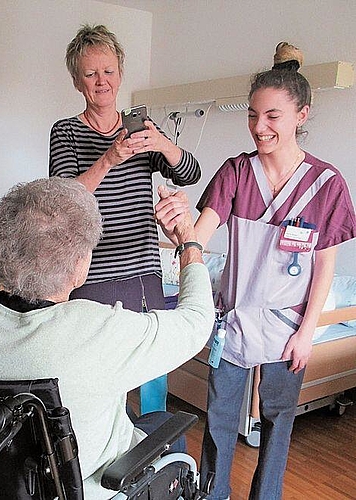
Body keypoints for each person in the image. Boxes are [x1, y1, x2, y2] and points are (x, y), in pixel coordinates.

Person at [155, 42, 356, 500]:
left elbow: (326, 265)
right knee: (220, 421)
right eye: (252, 115)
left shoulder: (327, 184)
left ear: (301, 115)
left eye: (271, 117)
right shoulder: (236, 173)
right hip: (235, 322)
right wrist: (176, 225)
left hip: (289, 327)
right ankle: (214, 494)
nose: (258, 127)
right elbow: (197, 238)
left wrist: (307, 331)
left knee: (278, 420)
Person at [0, 177, 215, 499]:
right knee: (164, 424)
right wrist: (189, 243)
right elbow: (197, 320)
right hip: (94, 489)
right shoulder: (98, 330)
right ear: (80, 265)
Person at [49, 24, 202, 415]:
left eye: (109, 71)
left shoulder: (143, 129)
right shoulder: (65, 131)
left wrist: (162, 143)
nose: (102, 81)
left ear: (120, 73)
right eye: (90, 73)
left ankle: (161, 460)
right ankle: (108, 453)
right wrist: (109, 158)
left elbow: (190, 173)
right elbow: (65, 201)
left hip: (143, 269)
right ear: (76, 81)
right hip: (91, 273)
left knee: (153, 376)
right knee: (99, 377)